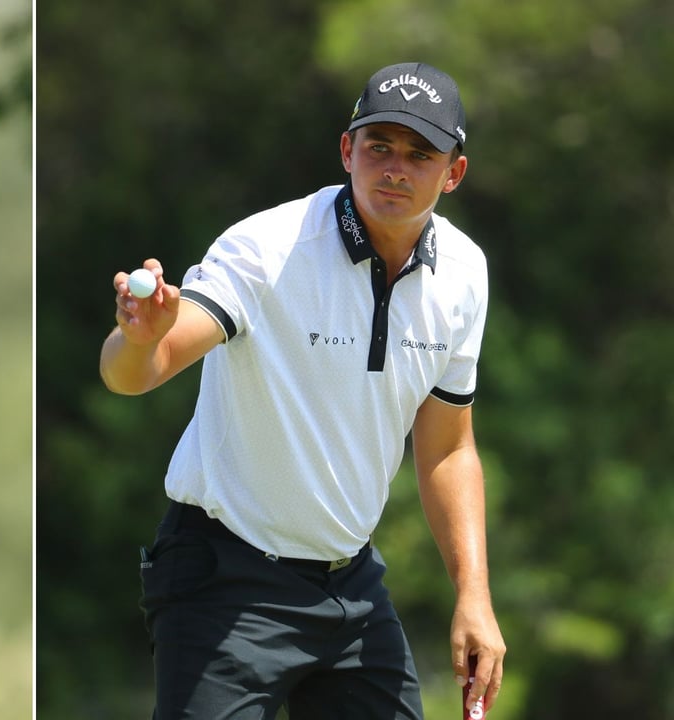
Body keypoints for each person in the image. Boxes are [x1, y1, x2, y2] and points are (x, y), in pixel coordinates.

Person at [100, 62, 505, 719]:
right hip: (225, 577)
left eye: (419, 154)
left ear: (452, 173)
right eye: (378, 147)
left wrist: (474, 595)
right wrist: (142, 336)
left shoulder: (465, 274)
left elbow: (448, 450)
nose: (395, 168)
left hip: (351, 585)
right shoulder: (267, 248)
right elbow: (137, 372)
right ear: (348, 150)